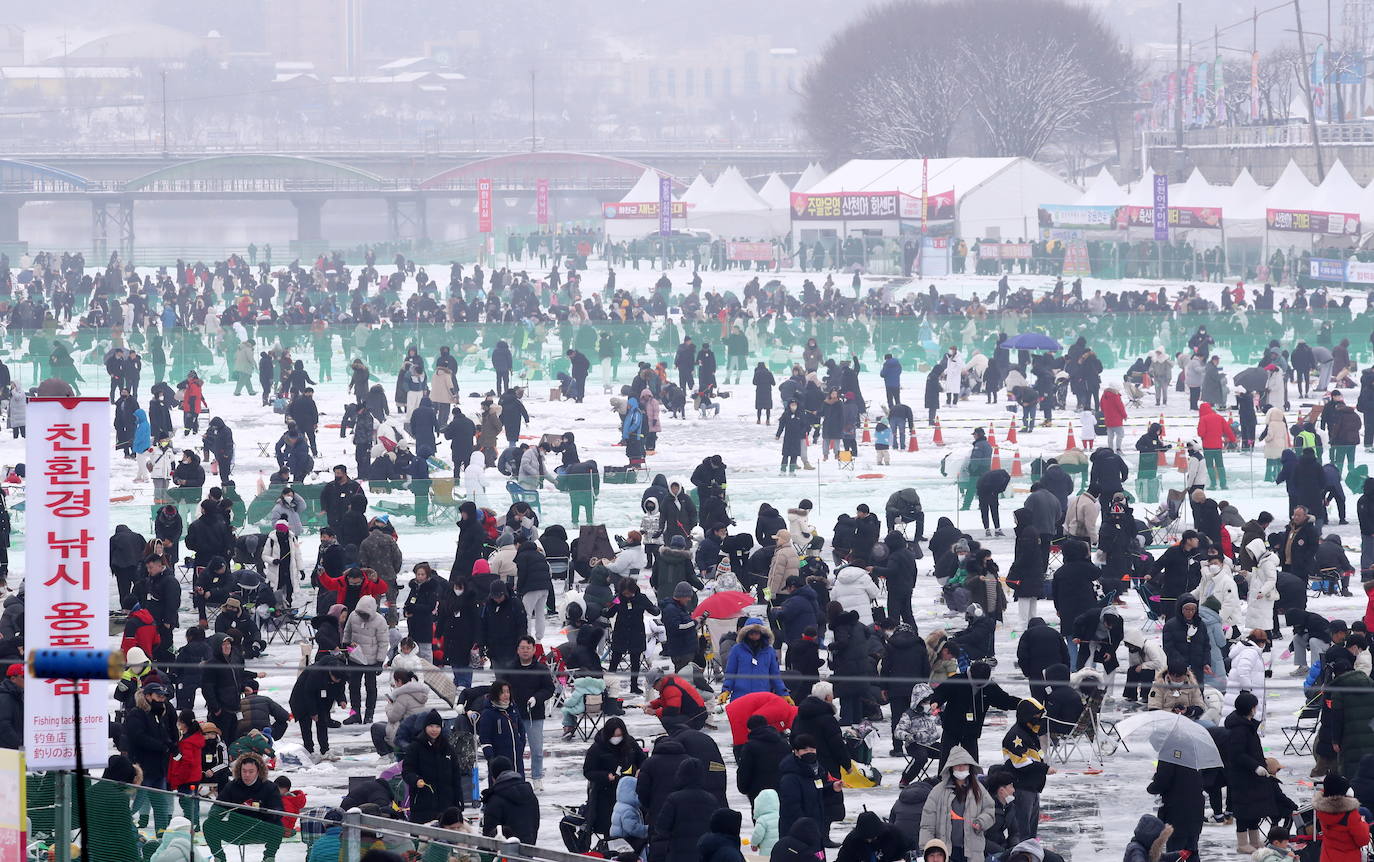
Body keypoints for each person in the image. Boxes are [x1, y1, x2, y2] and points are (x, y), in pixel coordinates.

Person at [918, 746, 994, 862]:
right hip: (945, 851)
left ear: (970, 767)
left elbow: (990, 810)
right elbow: (927, 824)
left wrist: (981, 822)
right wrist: (927, 848)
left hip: (972, 851)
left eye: (964, 765)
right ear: (951, 767)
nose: (961, 768)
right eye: (957, 765)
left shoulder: (979, 789)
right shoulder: (938, 791)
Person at [204, 752, 284, 862]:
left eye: (251, 771)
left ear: (258, 771)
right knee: (208, 824)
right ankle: (219, 857)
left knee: (278, 827)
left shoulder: (270, 787)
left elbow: (278, 809)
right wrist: (215, 813)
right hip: (235, 829)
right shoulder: (231, 786)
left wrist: (273, 813)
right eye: (244, 771)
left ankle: (269, 857)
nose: (247, 775)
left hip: (260, 829)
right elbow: (218, 805)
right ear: (239, 771)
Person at [403, 710, 461, 824]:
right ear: (425, 727)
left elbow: (456, 776)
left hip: (446, 803)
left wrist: (459, 801)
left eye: (437, 726)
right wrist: (416, 780)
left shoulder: (447, 748)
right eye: (431, 726)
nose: (434, 730)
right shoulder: (415, 747)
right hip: (422, 803)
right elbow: (407, 771)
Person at [481, 755, 540, 844]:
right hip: (529, 846)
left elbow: (489, 835)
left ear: (493, 777)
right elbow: (535, 824)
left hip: (505, 849)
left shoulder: (495, 800)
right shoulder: (530, 795)